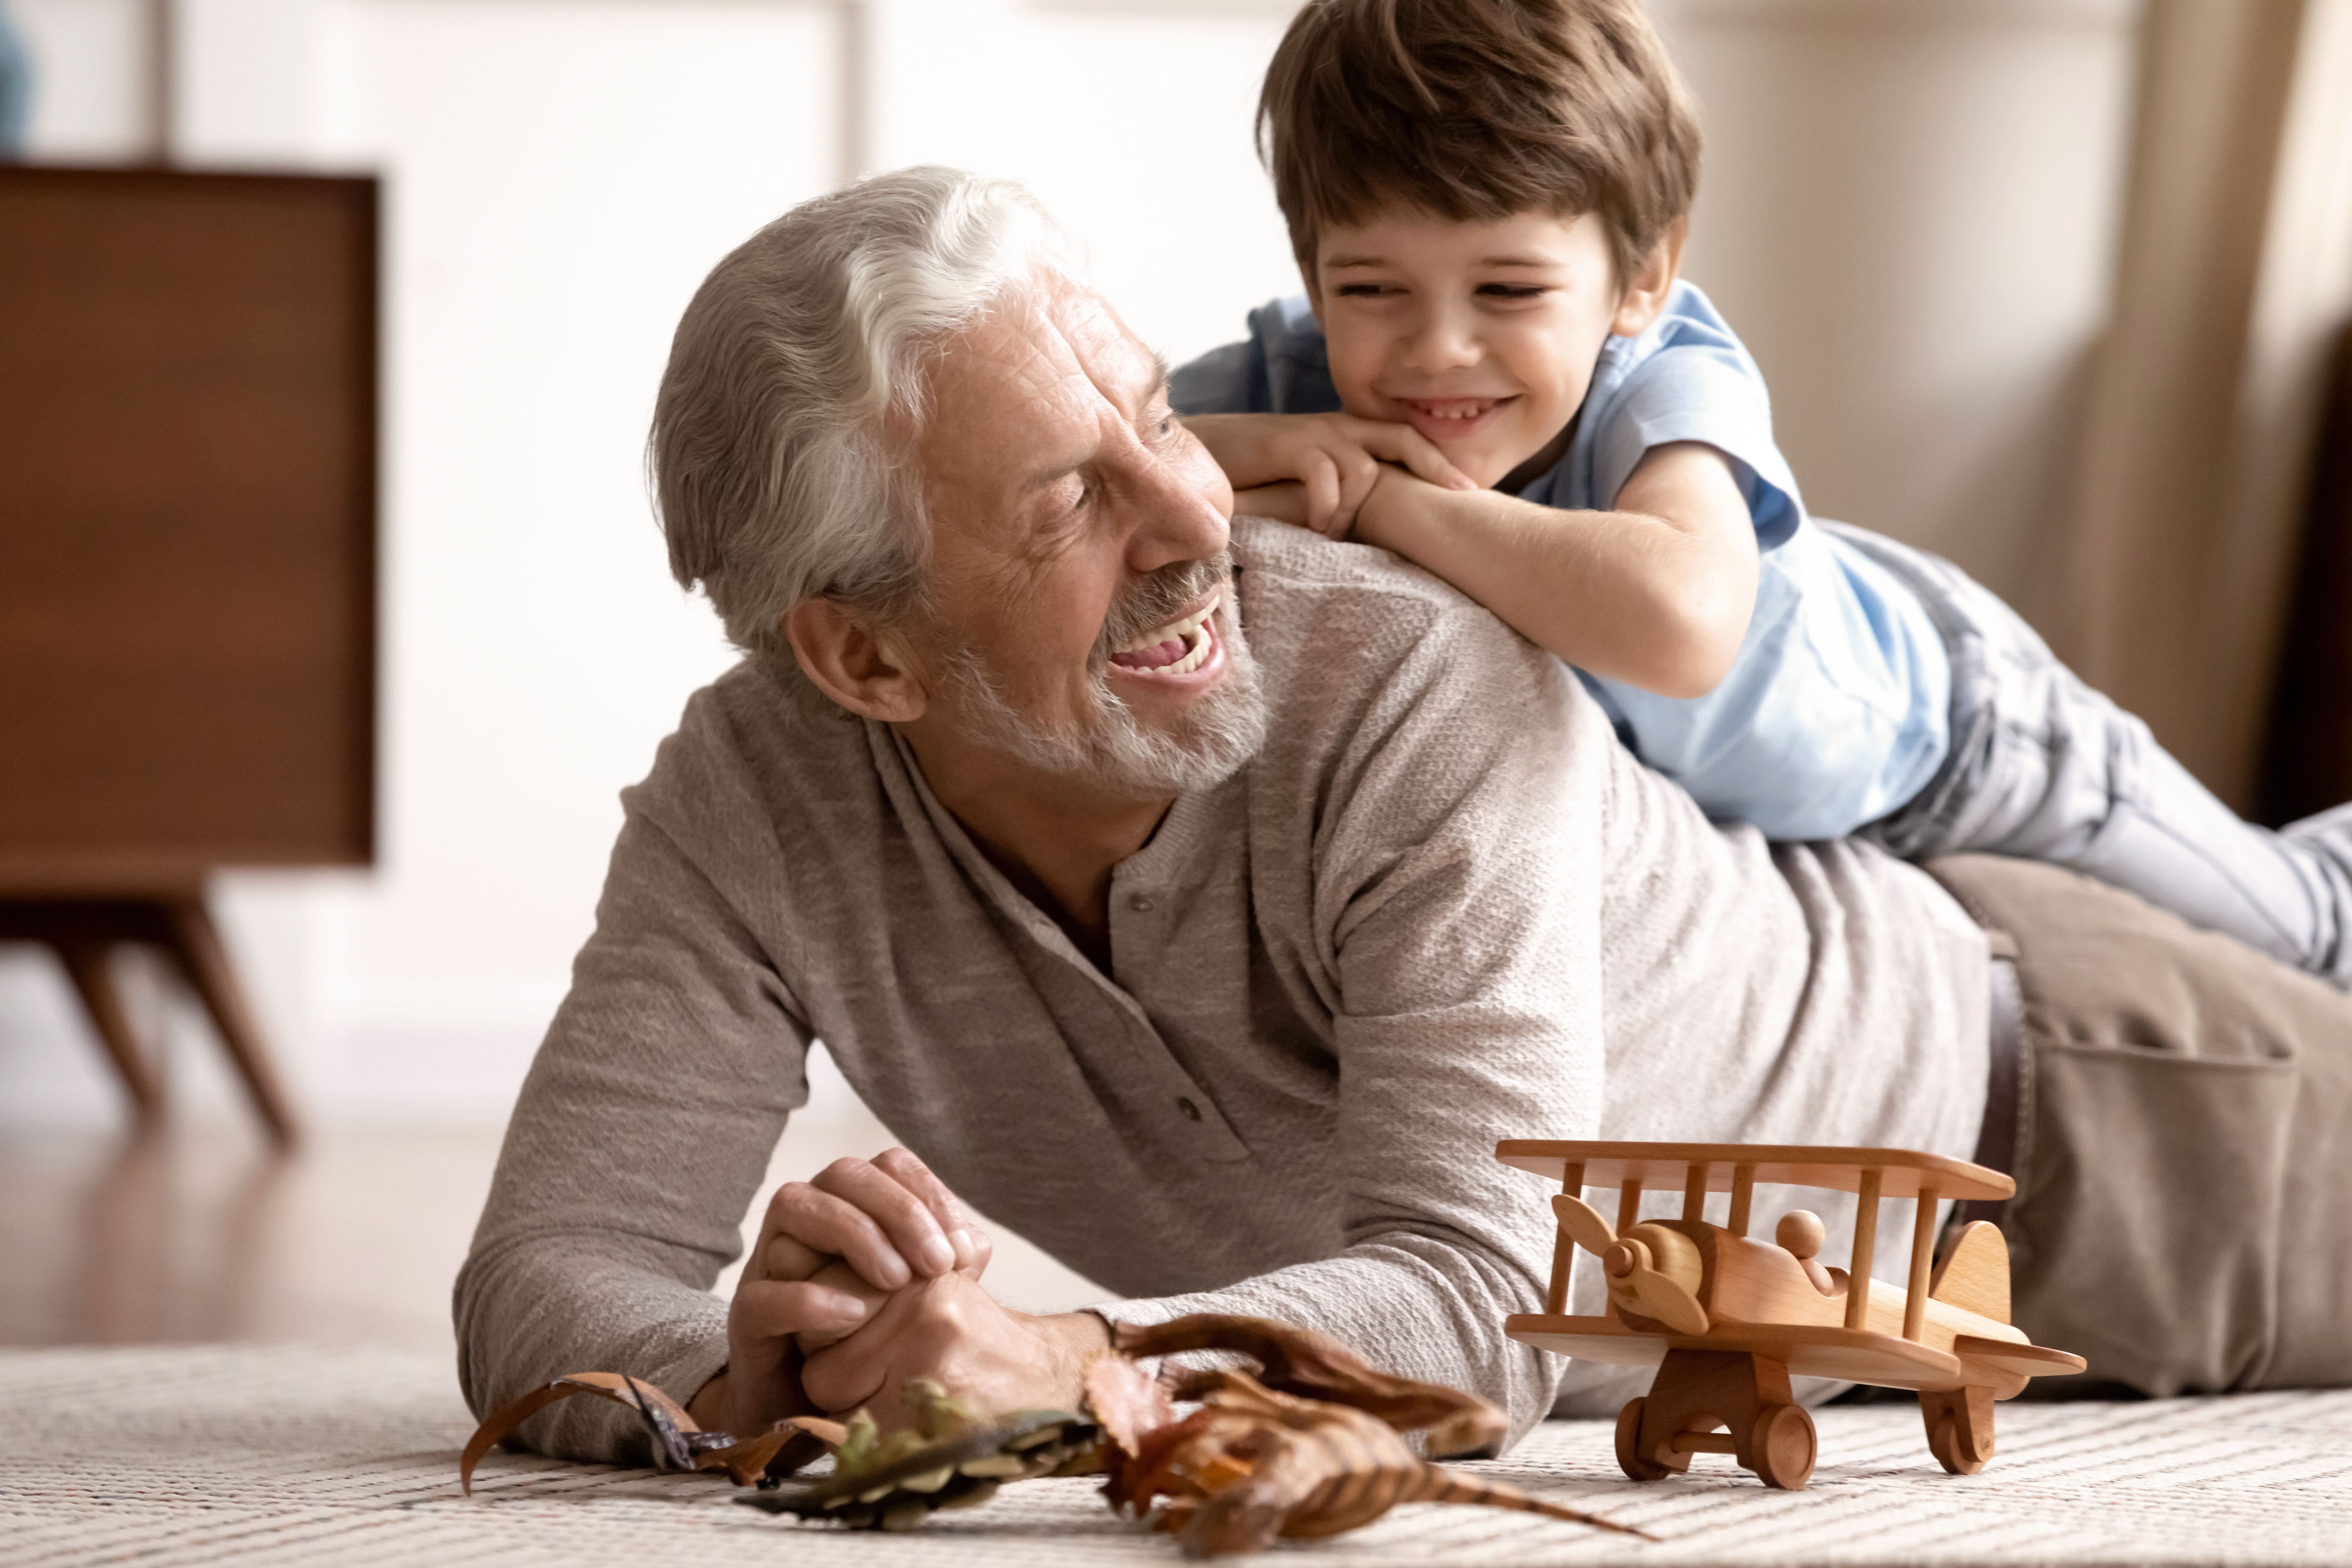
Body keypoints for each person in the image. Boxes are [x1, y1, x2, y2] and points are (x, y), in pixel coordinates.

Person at [456, 167, 2351, 1470]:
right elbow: (544, 1269)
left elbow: (1472, 1294)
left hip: (2092, 1111)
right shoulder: (752, 796)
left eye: (1157, 417)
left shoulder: (1413, 687)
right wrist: (759, 1375)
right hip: (1769, 1320)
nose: (1203, 515)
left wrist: (1062, 1366)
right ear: (863, 663)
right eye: (1067, 506)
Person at [1172, 0, 2352, 989]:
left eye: (1510, 290)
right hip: (1797, 827)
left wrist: (1383, 501)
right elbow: (1073, 465)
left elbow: (1677, 628)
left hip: (1962, 739)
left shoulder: (1666, 375)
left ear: (1642, 277)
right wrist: (1256, 443)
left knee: (2297, 927)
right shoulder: (1296, 383)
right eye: (1372, 286)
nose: (1435, 350)